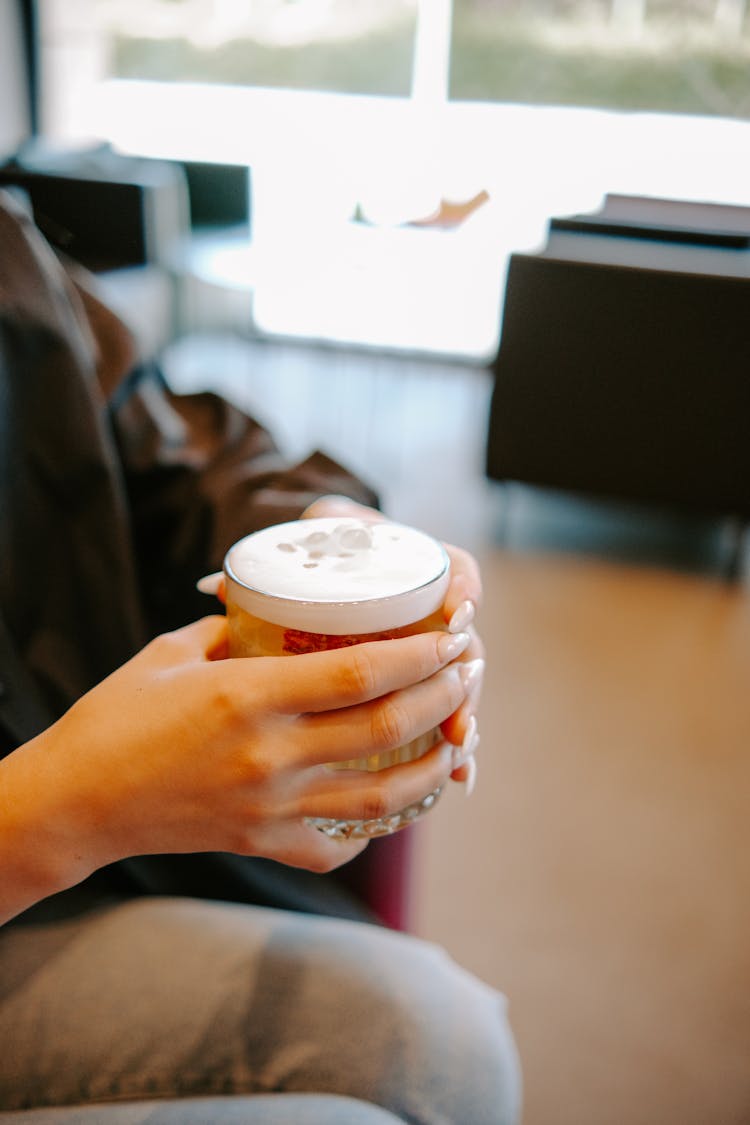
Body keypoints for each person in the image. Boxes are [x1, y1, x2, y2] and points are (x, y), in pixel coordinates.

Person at [0, 189, 521, 1123]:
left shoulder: (6, 246)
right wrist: (54, 811)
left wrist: (317, 534)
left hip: (84, 877)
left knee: (441, 1034)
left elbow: (171, 455)